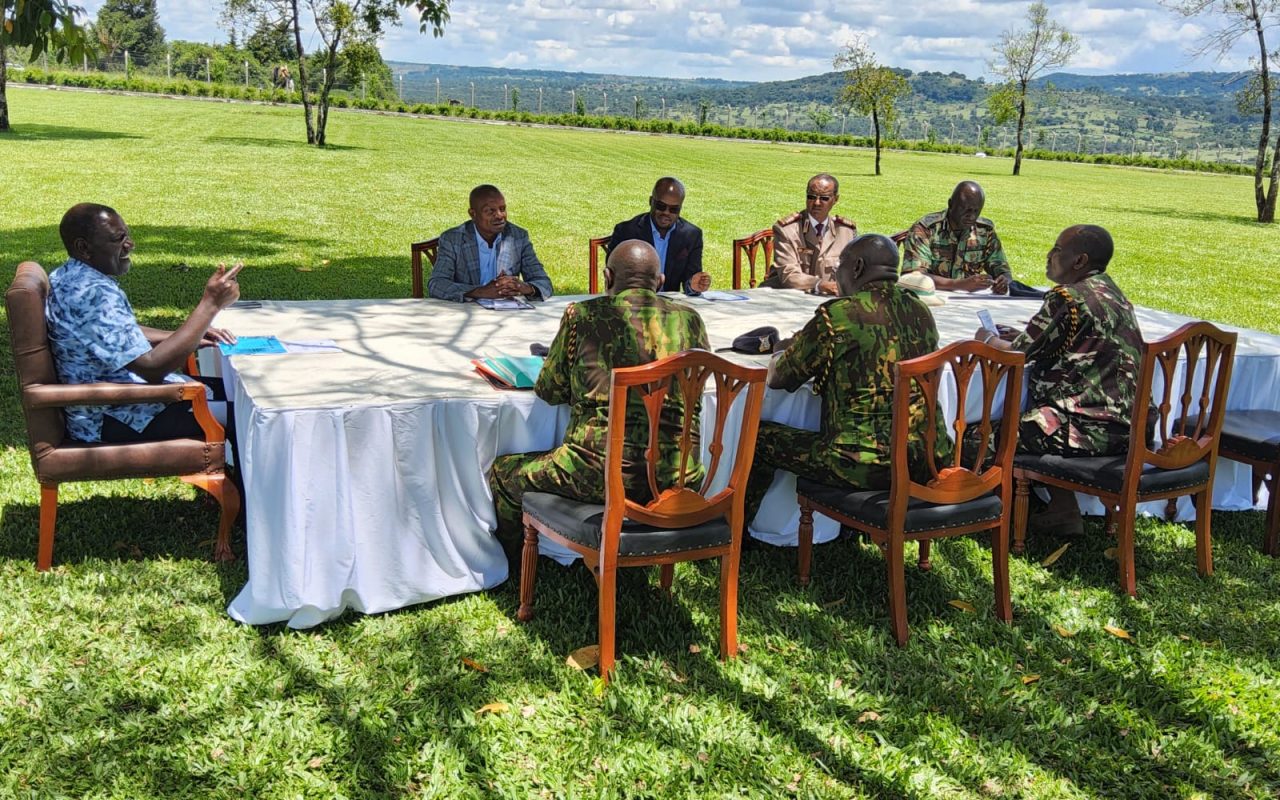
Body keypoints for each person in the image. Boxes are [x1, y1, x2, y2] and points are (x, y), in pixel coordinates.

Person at [489, 240, 710, 558]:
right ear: (659, 282)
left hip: (597, 473)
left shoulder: (583, 315)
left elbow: (550, 391)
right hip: (679, 475)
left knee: (504, 471)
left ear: (607, 277)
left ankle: (513, 560)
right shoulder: (691, 321)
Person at [744, 234, 951, 520]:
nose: (835, 273)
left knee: (755, 437)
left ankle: (742, 532)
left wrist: (781, 348)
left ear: (857, 268)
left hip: (858, 462)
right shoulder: (920, 310)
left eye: (839, 265)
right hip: (924, 457)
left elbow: (780, 378)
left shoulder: (839, 315)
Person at [975, 224, 1144, 535]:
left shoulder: (1067, 298)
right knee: (1039, 417)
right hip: (1127, 428)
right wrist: (1027, 337)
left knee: (982, 432)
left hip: (1082, 429)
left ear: (1079, 261)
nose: (1050, 255)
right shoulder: (1113, 294)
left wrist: (985, 339)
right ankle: (1062, 510)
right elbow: (1066, 340)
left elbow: (1016, 355)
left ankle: (992, 516)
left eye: (1056, 250)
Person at [45, 203, 241, 443]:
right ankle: (238, 480)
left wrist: (184, 335)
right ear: (83, 248)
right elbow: (153, 369)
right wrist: (210, 304)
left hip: (121, 405)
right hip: (118, 416)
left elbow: (120, 333)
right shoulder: (92, 293)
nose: (129, 244)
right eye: (118, 239)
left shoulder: (69, 276)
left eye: (127, 234)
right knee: (246, 415)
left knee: (239, 397)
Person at [428, 184, 554, 302]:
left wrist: (525, 287)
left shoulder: (517, 237)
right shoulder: (453, 239)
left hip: (506, 315)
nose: (499, 216)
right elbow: (437, 284)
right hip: (465, 311)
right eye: (490, 211)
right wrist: (480, 292)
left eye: (502, 209)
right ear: (473, 214)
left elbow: (544, 283)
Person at [901, 180, 1012, 294]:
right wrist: (960, 285)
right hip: (930, 297)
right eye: (966, 210)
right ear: (951, 204)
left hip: (970, 301)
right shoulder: (925, 229)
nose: (971, 216)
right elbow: (914, 277)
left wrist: (1003, 281)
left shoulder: (984, 231)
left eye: (976, 211)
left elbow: (1002, 270)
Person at [606, 177, 710, 294]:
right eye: (661, 206)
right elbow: (613, 276)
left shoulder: (691, 236)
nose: (666, 212)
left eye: (673, 209)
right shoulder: (626, 231)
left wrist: (694, 285)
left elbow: (690, 281)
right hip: (632, 301)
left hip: (669, 305)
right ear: (651, 201)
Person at [760, 173, 858, 295]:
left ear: (835, 199)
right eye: (811, 197)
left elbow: (855, 273)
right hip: (785, 297)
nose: (816, 203)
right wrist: (820, 285)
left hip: (826, 300)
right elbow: (789, 275)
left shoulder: (846, 231)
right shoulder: (787, 229)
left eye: (824, 198)